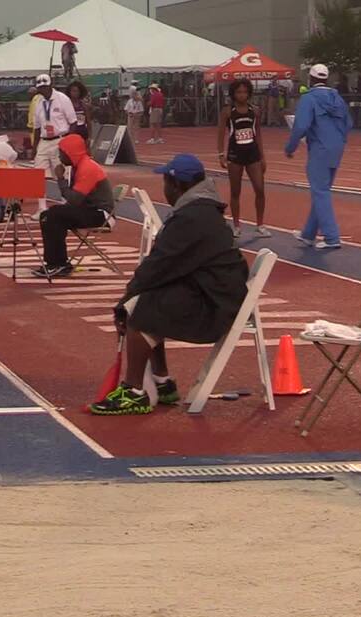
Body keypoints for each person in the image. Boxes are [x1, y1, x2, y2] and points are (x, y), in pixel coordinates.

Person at [89, 154, 248, 416]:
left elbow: (159, 265)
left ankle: (134, 391)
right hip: (217, 292)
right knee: (153, 299)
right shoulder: (201, 209)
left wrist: (124, 302)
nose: (163, 190)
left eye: (165, 182)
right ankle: (162, 383)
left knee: (143, 308)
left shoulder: (192, 218)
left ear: (177, 185)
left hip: (216, 307)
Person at [285, 63, 351, 250]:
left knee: (320, 192)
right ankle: (308, 234)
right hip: (336, 148)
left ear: (311, 79)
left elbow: (300, 126)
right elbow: (348, 123)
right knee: (321, 190)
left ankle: (331, 237)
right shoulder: (337, 98)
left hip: (319, 148)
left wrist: (291, 147)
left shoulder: (309, 99)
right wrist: (339, 140)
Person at [34, 134, 114, 278]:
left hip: (101, 215)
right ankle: (56, 262)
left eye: (61, 153)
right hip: (91, 210)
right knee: (49, 215)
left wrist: (60, 179)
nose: (59, 157)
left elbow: (74, 200)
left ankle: (58, 263)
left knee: (54, 215)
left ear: (71, 153)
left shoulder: (87, 168)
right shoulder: (79, 166)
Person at [216, 79, 269, 239]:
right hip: (235, 154)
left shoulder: (255, 110)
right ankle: (237, 226)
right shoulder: (227, 111)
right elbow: (220, 134)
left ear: (249, 93)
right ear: (233, 94)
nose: (242, 95)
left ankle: (260, 225)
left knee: (260, 189)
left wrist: (263, 156)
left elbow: (257, 134)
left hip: (253, 154)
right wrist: (221, 154)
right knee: (235, 191)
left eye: (245, 92)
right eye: (239, 92)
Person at [30, 74, 77, 219]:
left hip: (60, 139)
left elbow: (73, 122)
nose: (42, 90)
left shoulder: (62, 99)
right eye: (40, 88)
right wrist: (34, 147)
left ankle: (65, 203)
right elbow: (37, 127)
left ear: (50, 85)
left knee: (60, 172)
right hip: (44, 141)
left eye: (44, 87)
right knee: (38, 175)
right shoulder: (39, 103)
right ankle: (42, 208)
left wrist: (69, 143)